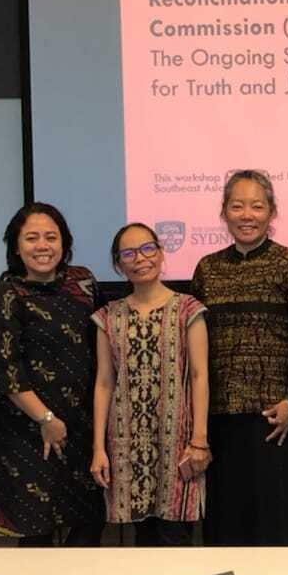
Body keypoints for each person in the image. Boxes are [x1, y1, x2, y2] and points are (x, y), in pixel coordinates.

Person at [191, 169, 288, 575]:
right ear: (223, 211)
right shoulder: (207, 268)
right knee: (228, 522)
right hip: (222, 417)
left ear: (271, 213)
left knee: (276, 522)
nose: (246, 215)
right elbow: (196, 347)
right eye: (237, 206)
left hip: (277, 418)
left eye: (257, 206)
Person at [0, 203, 104, 547]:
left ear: (64, 243)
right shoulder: (7, 294)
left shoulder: (84, 283)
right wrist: (46, 418)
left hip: (82, 428)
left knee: (88, 527)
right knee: (37, 538)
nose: (42, 246)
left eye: (51, 237)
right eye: (32, 238)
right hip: (28, 433)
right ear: (16, 246)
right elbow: (5, 371)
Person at [90, 222, 210, 546]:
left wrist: (199, 440)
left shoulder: (189, 309)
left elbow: (199, 376)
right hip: (127, 444)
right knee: (141, 542)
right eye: (128, 253)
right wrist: (98, 448)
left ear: (160, 252)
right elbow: (103, 383)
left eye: (147, 248)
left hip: (178, 443)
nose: (140, 258)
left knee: (176, 538)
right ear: (118, 263)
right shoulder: (108, 316)